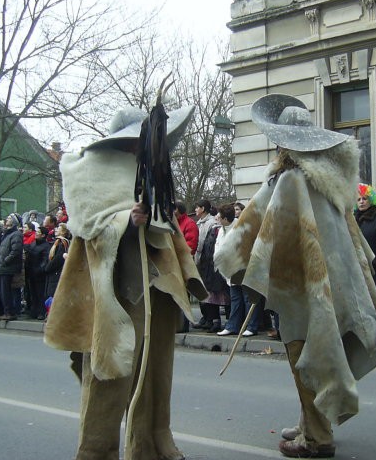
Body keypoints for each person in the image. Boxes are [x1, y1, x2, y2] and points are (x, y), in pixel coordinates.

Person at [214, 94, 376, 458]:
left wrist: (234, 260)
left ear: (284, 142)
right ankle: (310, 420)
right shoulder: (330, 180)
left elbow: (253, 228)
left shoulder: (290, 180)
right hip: (332, 281)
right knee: (318, 349)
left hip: (302, 285)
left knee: (304, 352)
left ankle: (317, 438)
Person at [44, 103, 207, 460]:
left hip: (157, 288)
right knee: (108, 375)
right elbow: (87, 225)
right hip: (114, 289)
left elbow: (170, 226)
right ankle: (96, 452)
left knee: (155, 372)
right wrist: (125, 220)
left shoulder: (149, 170)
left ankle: (149, 445)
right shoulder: (88, 171)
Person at [216, 204, 260, 337]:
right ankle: (233, 326)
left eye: (219, 216)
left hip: (242, 268)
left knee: (248, 298)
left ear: (225, 218)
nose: (217, 218)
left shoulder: (240, 228)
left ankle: (251, 326)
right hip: (229, 269)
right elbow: (218, 246)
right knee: (235, 298)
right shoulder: (221, 230)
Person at [192, 199, 217, 329]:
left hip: (207, 261)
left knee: (209, 291)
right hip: (198, 258)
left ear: (203, 208)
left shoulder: (211, 222)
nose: (195, 210)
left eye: (197, 207)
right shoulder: (199, 222)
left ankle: (211, 318)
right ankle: (205, 316)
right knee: (201, 289)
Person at [0, 213, 24, 321]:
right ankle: (7, 312)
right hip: (2, 267)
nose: (7, 219)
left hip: (7, 267)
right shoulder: (6, 234)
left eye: (10, 218)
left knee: (6, 291)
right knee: (3, 291)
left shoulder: (16, 234)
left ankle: (9, 312)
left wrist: (6, 261)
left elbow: (16, 250)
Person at [25, 225, 50, 319]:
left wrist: (39, 269)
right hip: (31, 272)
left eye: (38, 233)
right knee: (32, 293)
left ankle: (41, 312)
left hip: (39, 274)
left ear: (43, 235)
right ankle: (34, 310)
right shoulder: (33, 243)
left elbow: (45, 260)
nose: (36, 234)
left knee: (40, 293)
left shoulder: (46, 246)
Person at [44, 223, 70, 307]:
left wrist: (48, 267)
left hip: (57, 272)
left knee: (54, 296)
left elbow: (58, 259)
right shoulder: (56, 242)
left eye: (58, 228)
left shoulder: (63, 243)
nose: (56, 229)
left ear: (63, 231)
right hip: (53, 272)